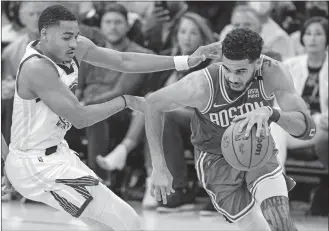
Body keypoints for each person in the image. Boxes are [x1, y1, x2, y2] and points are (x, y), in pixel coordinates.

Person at [3, 5, 212, 231]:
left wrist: (185, 61)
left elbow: (124, 61)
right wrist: (126, 101)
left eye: (75, 35)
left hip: (57, 153)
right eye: (66, 37)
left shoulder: (73, 47)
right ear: (44, 35)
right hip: (36, 164)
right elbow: (81, 118)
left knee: (108, 226)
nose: (74, 42)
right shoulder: (37, 68)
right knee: (128, 222)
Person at [145, 28, 317, 231]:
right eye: (228, 68)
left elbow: (308, 129)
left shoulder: (273, 72)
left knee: (280, 221)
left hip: (257, 148)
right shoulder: (202, 84)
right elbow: (153, 104)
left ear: (258, 63)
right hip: (215, 160)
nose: (233, 77)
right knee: (255, 227)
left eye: (241, 71)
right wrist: (158, 167)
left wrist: (272, 113)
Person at [96, 12, 216, 212]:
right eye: (183, 32)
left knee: (157, 107)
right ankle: (151, 175)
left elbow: (204, 103)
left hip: (200, 119)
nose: (187, 37)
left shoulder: (208, 66)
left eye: (193, 33)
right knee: (152, 105)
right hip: (169, 119)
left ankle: (129, 154)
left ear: (203, 38)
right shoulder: (172, 60)